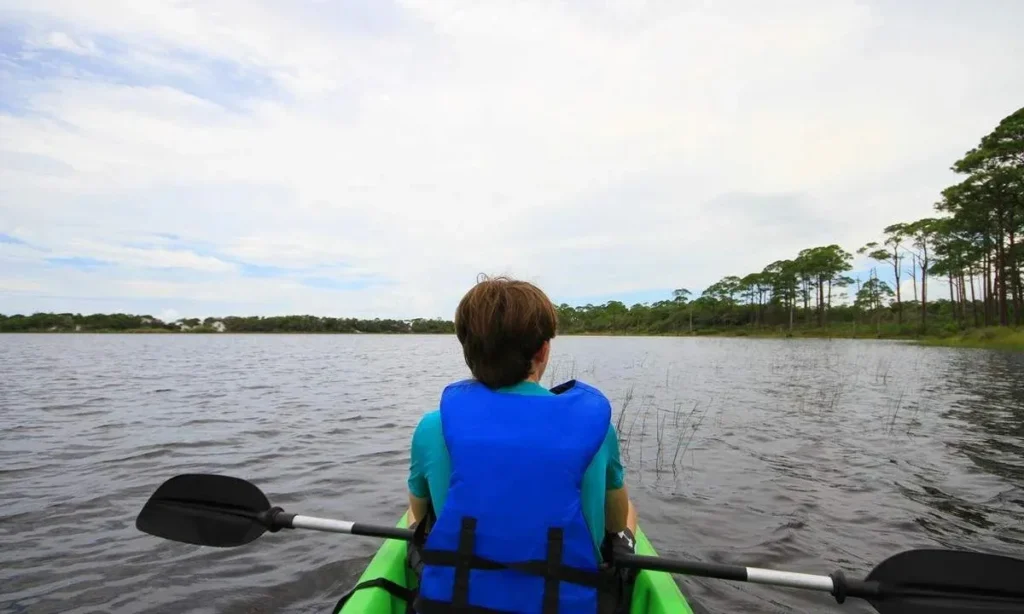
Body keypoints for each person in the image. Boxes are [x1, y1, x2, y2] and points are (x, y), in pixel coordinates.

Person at [406, 275, 638, 614]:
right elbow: (615, 525)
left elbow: (419, 512)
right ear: (543, 350)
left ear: (467, 350)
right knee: (630, 512)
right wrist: (624, 532)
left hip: (456, 603)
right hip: (561, 602)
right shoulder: (598, 430)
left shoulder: (431, 427)